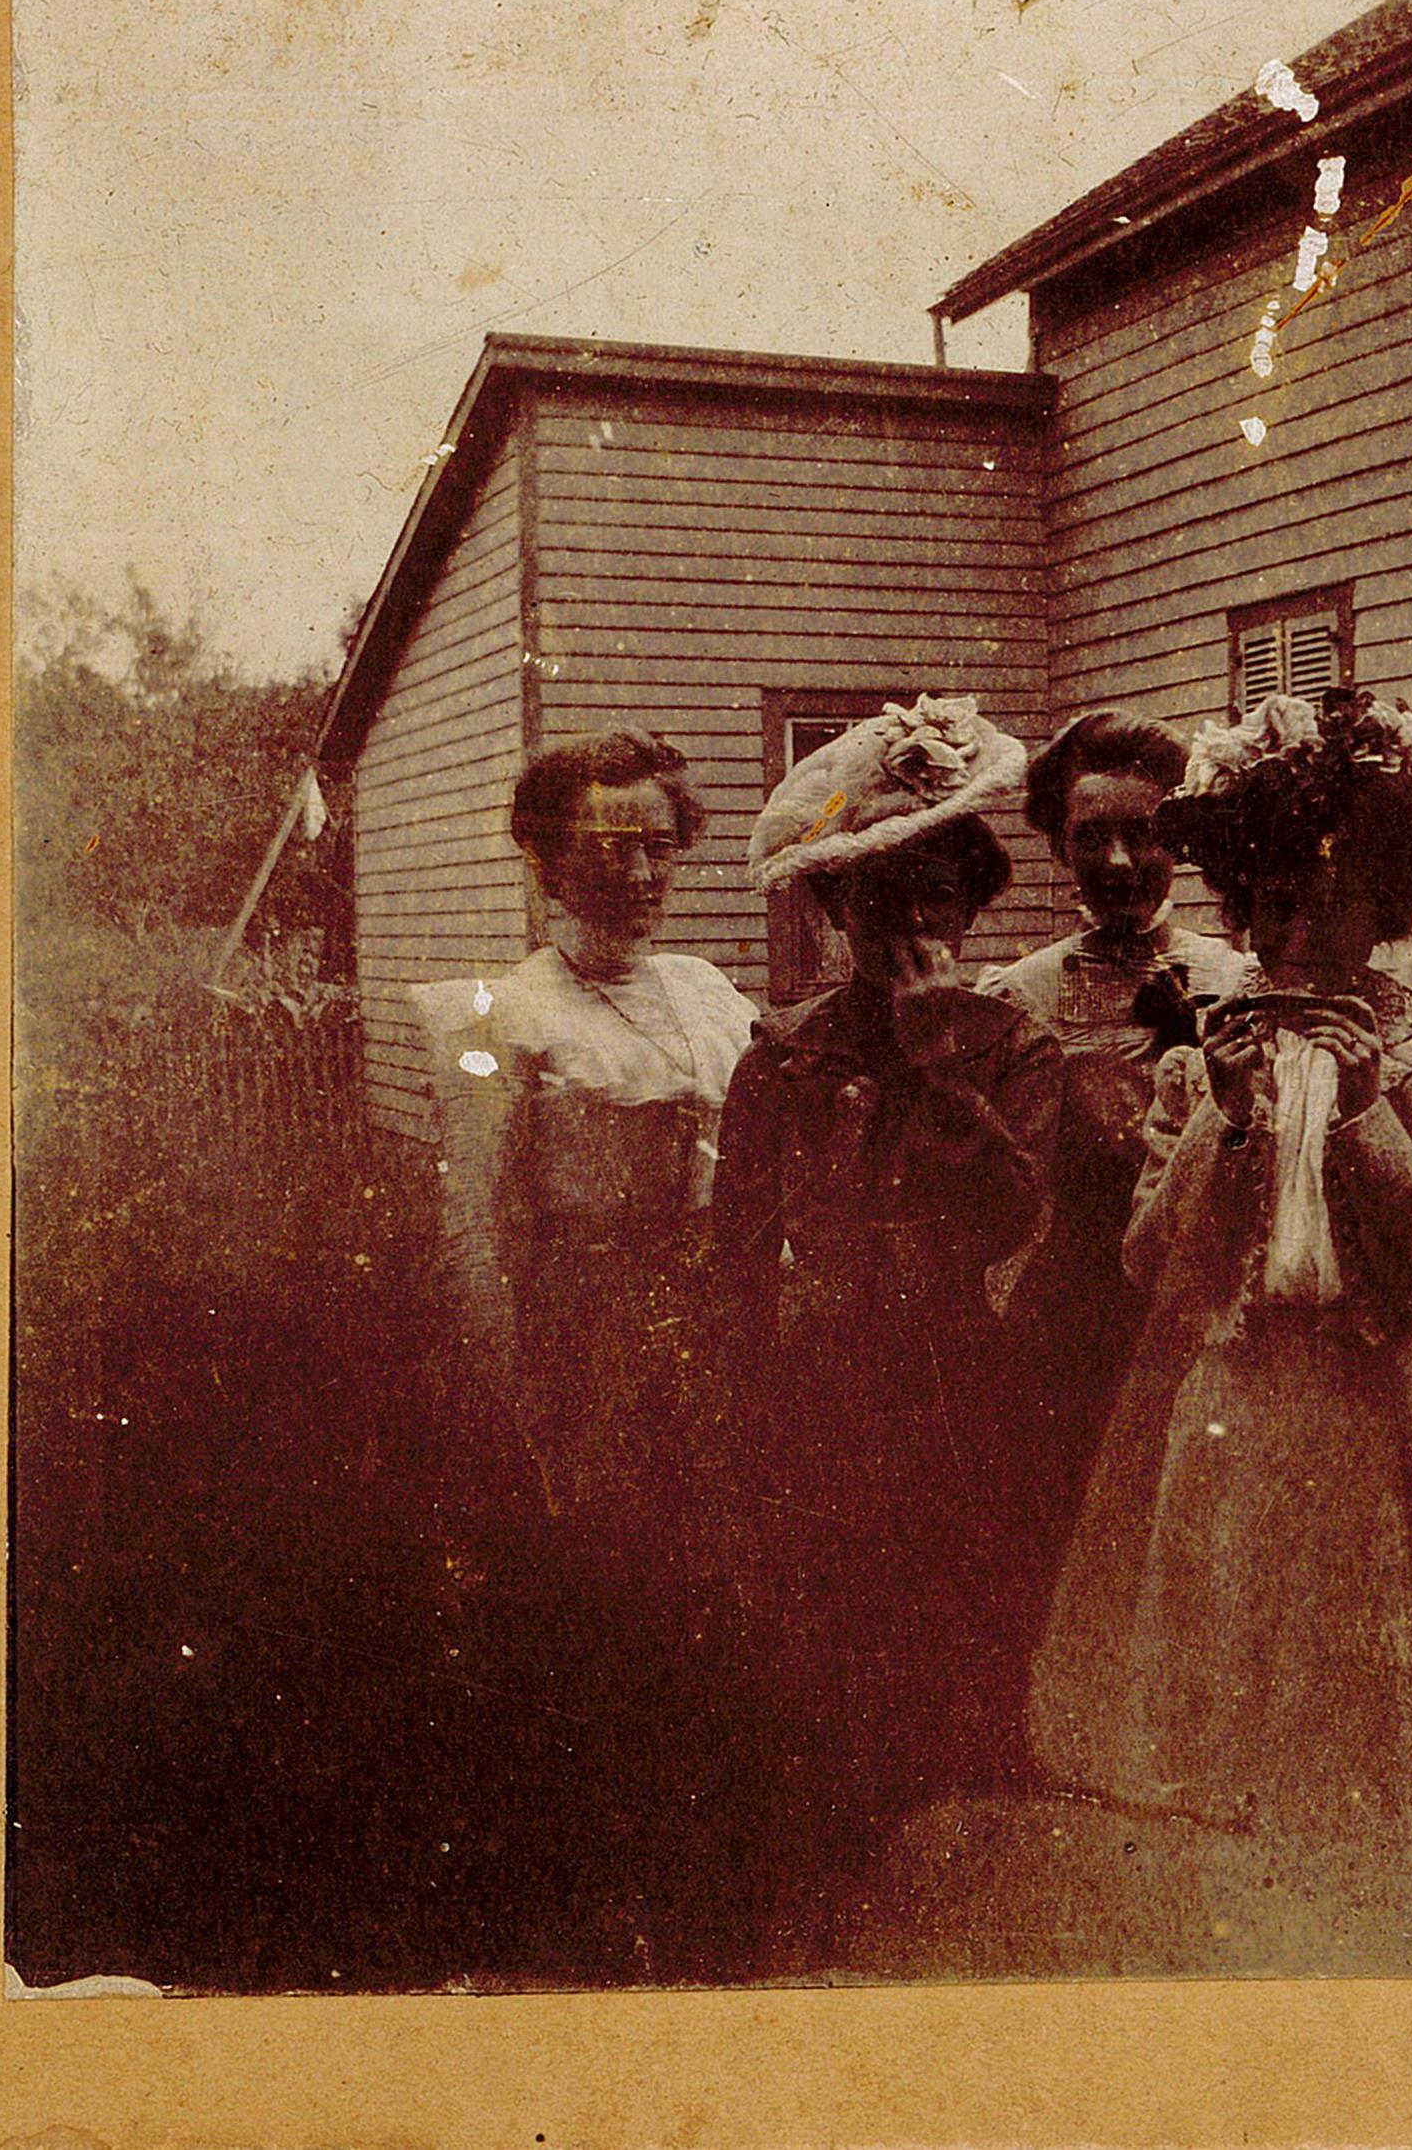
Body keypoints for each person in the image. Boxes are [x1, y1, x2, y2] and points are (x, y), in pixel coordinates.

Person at [1027, 687, 1412, 1976]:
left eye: (1334, 910)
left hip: (1376, 1442)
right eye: (1274, 910)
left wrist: (1362, 1116)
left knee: (1379, 1728)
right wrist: (1227, 1120)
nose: (1302, 942)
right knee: (1221, 1725)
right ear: (1240, 916)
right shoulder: (1198, 1069)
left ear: (1381, 918)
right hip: (1227, 1430)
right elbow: (1154, 1273)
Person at [710, 694, 1066, 1945]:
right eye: (876, 895)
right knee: (828, 1658)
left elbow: (1021, 1216)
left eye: (936, 894)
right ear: (835, 911)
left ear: (971, 903)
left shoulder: (1016, 1042)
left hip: (962, 1397)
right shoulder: (785, 1055)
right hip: (822, 1399)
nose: (911, 922)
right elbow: (735, 1256)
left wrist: (943, 1055)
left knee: (963, 1650)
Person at [412, 725, 762, 1982]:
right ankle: (595, 1896)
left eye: (660, 846)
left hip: (715, 1337)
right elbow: (473, 1223)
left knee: (717, 1599)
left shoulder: (711, 993)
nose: (639, 872)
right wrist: (517, 1404)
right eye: (607, 847)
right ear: (545, 857)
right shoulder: (494, 1015)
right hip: (588, 1345)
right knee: (598, 1606)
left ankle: (719, 1883)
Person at [977, 710, 1248, 1529]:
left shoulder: (1237, 976)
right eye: (1092, 837)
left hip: (1207, 1291)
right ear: (1060, 848)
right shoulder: (1020, 992)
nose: (1120, 861)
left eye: (1145, 834)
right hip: (1080, 1303)